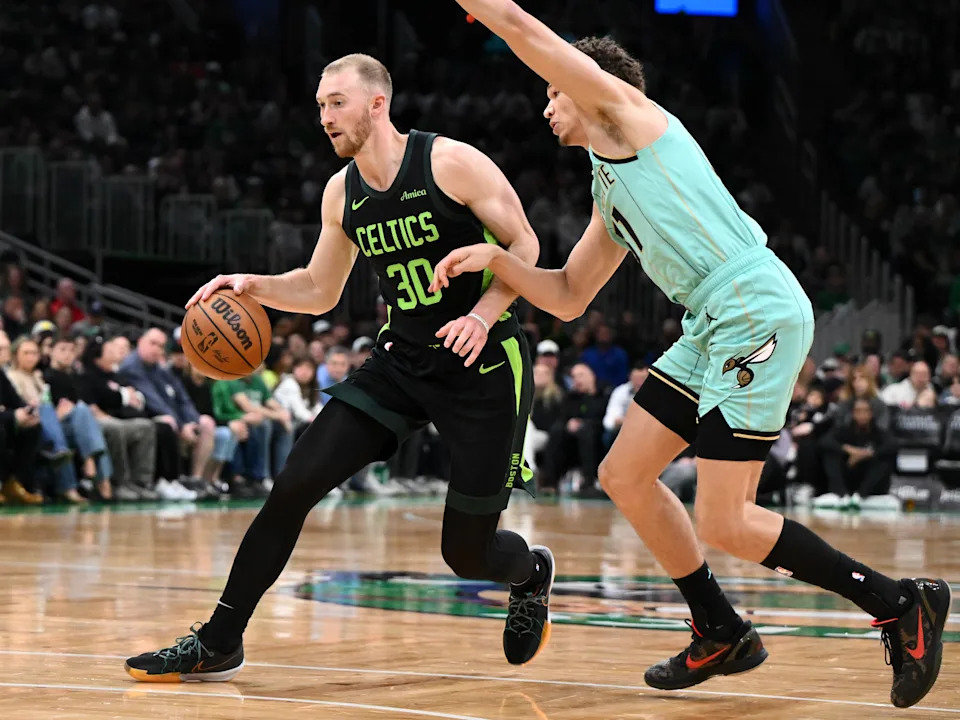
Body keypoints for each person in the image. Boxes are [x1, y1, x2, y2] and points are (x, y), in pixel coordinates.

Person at [431, 2, 949, 708]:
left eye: (554, 91)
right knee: (624, 473)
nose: (545, 104)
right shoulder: (606, 182)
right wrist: (497, 261)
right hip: (711, 320)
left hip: (751, 306)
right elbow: (570, 296)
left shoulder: (628, 117)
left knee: (726, 520)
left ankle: (899, 603)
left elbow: (521, 27)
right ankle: (719, 626)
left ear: (588, 85)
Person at [125, 53, 552, 682]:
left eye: (336, 103)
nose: (325, 116)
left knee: (466, 553)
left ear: (377, 104)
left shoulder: (449, 163)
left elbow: (526, 244)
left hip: (481, 363)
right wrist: (252, 285)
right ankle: (219, 640)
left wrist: (483, 315)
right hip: (401, 361)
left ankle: (531, 573)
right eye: (320, 105)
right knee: (293, 485)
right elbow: (320, 289)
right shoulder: (341, 191)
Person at [819, 399, 896, 509]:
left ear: (871, 413)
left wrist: (866, 454)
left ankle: (860, 496)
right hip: (848, 474)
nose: (862, 415)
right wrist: (848, 450)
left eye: (866, 411)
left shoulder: (878, 432)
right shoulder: (843, 430)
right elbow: (824, 441)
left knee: (884, 460)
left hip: (869, 481)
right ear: (853, 413)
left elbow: (892, 445)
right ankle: (842, 495)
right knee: (830, 456)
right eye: (858, 411)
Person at [603, 362, 648, 447]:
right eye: (636, 378)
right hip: (623, 429)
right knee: (608, 436)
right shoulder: (620, 391)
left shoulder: (655, 394)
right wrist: (618, 422)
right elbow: (609, 419)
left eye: (643, 378)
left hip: (647, 429)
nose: (639, 382)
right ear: (630, 377)